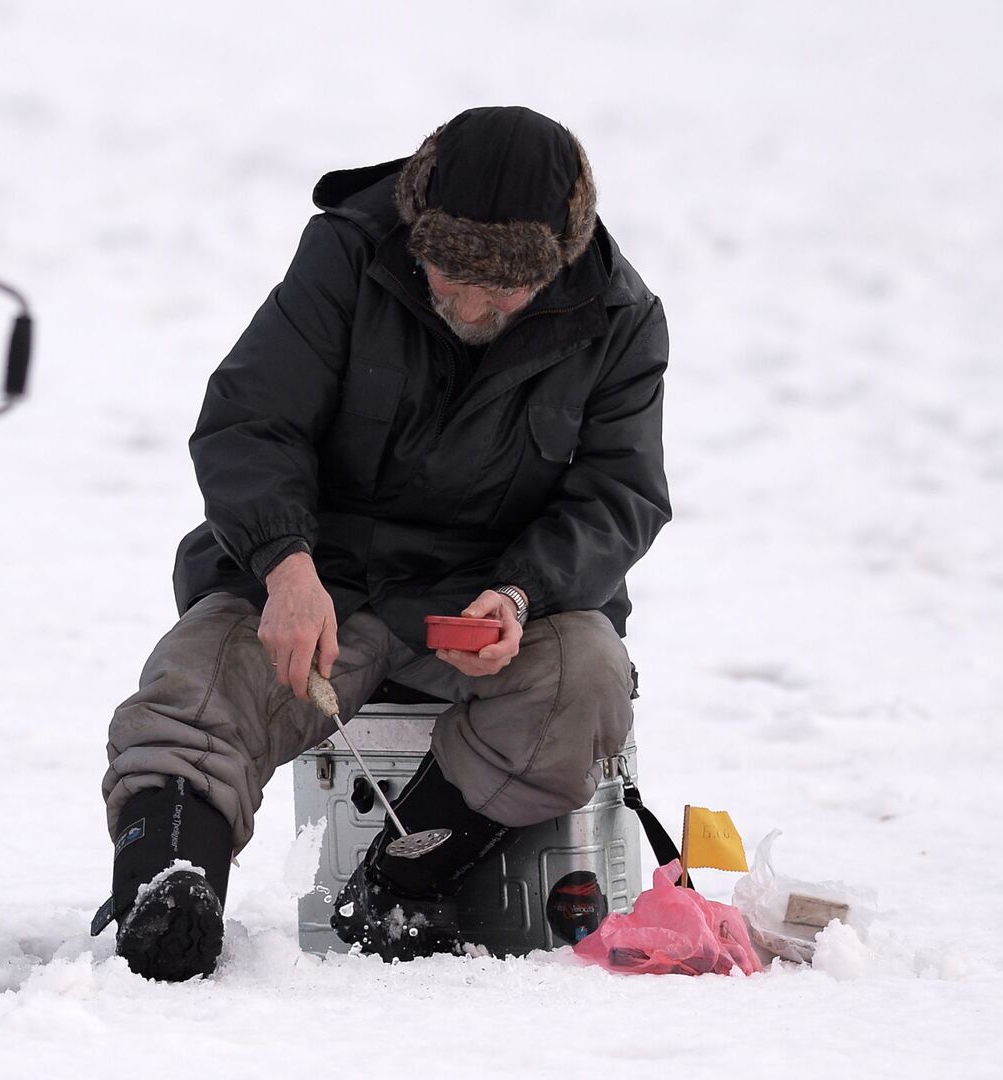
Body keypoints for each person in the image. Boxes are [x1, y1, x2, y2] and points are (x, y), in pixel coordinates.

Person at [93, 106, 671, 981]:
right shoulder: (346, 253)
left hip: (488, 605)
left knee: (584, 679)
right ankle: (166, 885)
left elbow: (619, 496)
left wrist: (520, 594)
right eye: (448, 274)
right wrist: (286, 566)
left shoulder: (624, 320)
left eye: (500, 291)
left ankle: (407, 877)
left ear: (551, 270)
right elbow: (251, 421)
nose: (468, 304)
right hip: (328, 582)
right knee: (198, 680)